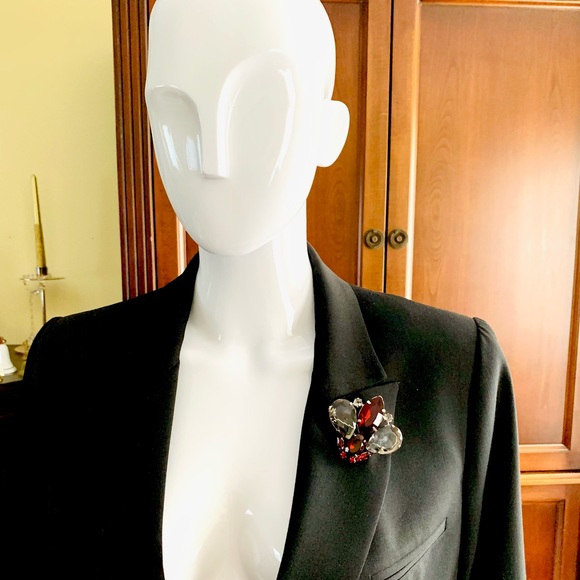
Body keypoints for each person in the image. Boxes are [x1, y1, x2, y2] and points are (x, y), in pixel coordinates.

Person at [11, 0, 525, 578]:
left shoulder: (455, 370)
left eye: (259, 104)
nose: (213, 157)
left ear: (329, 132)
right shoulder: (70, 367)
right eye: (176, 110)